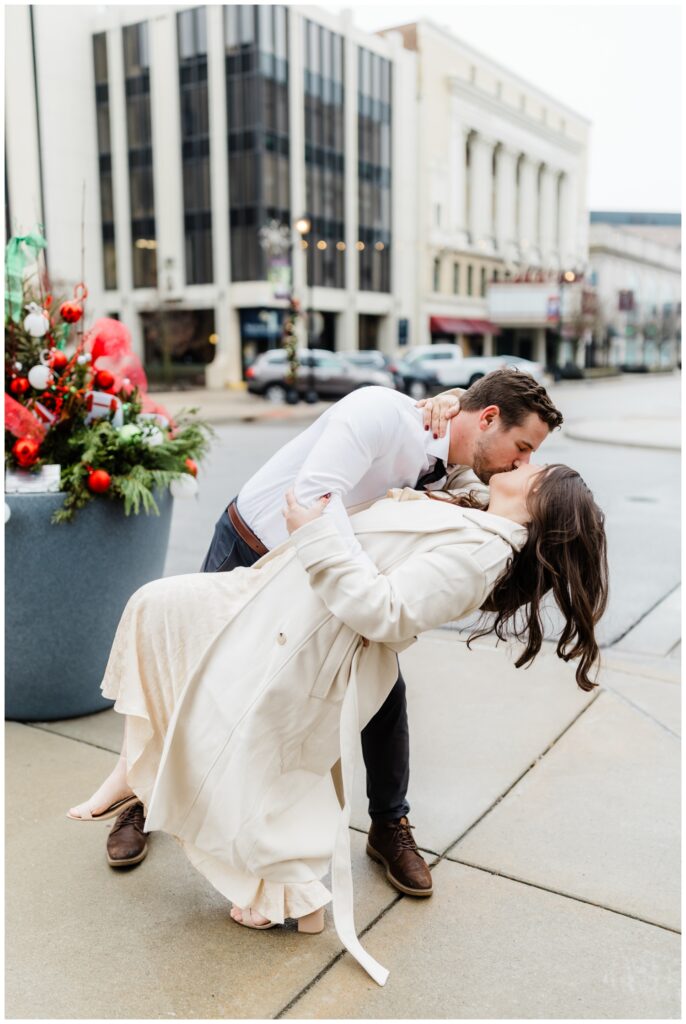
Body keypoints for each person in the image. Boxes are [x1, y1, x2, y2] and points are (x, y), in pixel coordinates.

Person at [67, 460, 608, 985]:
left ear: (538, 502)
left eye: (535, 467)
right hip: (282, 600)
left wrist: (315, 534)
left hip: (311, 637)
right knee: (155, 610)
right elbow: (459, 450)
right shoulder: (481, 511)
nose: (524, 460)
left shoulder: (483, 553)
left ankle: (294, 898)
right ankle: (133, 772)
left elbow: (389, 610)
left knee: (256, 767)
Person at [96, 368, 563, 887]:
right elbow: (316, 494)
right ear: (490, 419)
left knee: (384, 693)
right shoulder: (379, 413)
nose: (523, 462)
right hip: (256, 547)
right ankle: (140, 797)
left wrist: (350, 589)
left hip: (325, 574)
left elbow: (495, 501)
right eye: (521, 448)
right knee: (191, 669)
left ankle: (389, 824)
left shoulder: (459, 463)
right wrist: (351, 580)